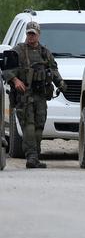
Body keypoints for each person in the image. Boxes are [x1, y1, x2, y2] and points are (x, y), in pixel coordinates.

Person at [2, 21, 66, 168]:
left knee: (39, 125)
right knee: (28, 126)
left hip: (41, 95)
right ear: (26, 34)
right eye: (29, 33)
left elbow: (54, 70)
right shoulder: (18, 50)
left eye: (33, 34)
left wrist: (60, 84)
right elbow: (6, 67)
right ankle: (31, 156)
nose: (31, 36)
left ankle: (35, 156)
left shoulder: (45, 52)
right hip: (25, 94)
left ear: (38, 34)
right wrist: (15, 79)